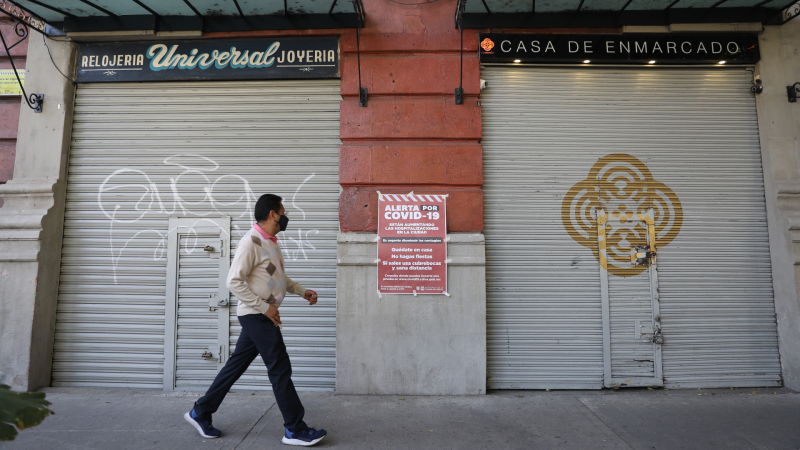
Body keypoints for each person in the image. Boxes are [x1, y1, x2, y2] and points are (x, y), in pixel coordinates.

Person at [184, 194, 327, 447]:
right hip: (256, 316)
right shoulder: (251, 242)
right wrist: (264, 308)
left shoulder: (270, 241)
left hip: (260, 315)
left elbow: (278, 278)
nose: (285, 216)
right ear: (273, 214)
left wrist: (302, 291)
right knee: (280, 368)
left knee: (235, 366)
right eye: (282, 211)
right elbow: (233, 282)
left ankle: (200, 411)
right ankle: (294, 429)